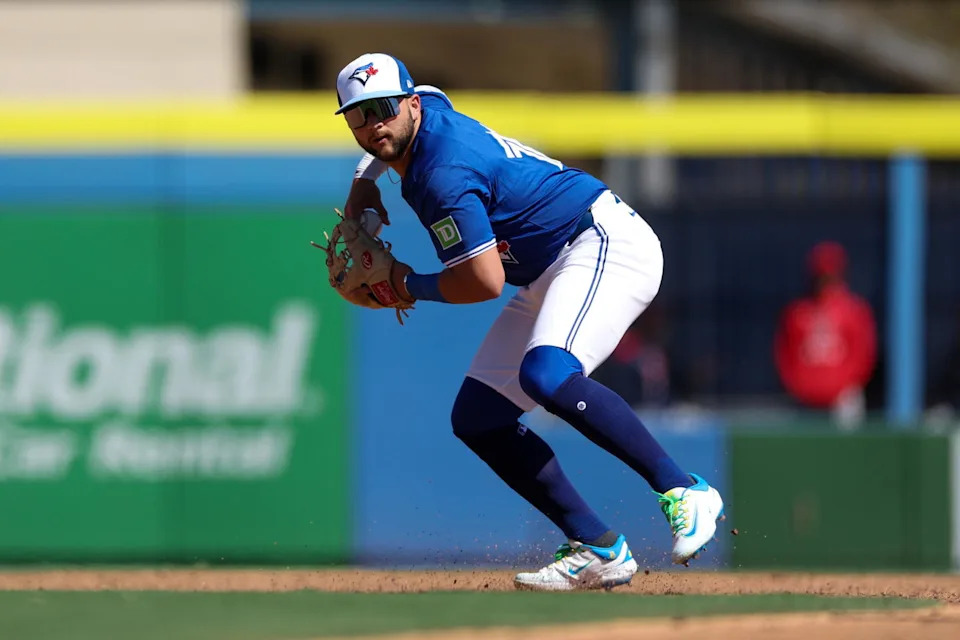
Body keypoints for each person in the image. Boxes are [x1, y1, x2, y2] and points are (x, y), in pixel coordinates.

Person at [333, 53, 724, 591]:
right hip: (550, 267)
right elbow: (394, 128)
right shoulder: (428, 111)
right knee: (479, 418)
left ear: (410, 105)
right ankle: (597, 546)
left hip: (601, 240)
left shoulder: (442, 175)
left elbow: (485, 282)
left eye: (383, 109)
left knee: (546, 374)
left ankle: (684, 488)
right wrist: (362, 185)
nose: (373, 123)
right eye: (358, 115)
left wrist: (404, 286)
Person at [774, 241, 878, 428]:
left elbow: (864, 356)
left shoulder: (854, 311)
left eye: (831, 274)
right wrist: (800, 387)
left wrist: (841, 386)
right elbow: (784, 355)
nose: (826, 280)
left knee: (847, 450)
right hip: (804, 400)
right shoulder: (798, 312)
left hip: (842, 400)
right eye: (822, 274)